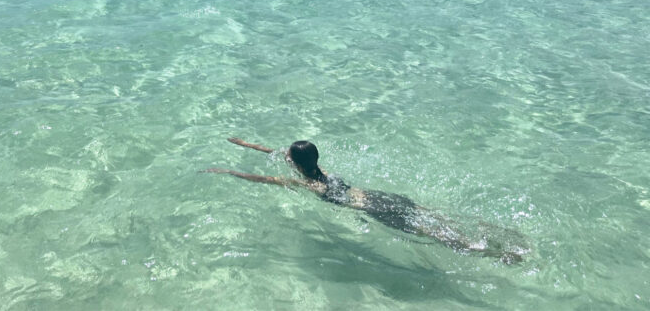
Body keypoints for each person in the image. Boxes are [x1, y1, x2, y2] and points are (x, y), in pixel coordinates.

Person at [205, 137, 527, 263]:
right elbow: (281, 153)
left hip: (375, 209)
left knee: (435, 234)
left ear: (297, 164)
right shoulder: (322, 171)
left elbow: (264, 179)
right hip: (378, 196)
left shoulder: (310, 185)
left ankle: (493, 253)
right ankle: (492, 232)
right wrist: (247, 144)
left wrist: (228, 171)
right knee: (437, 216)